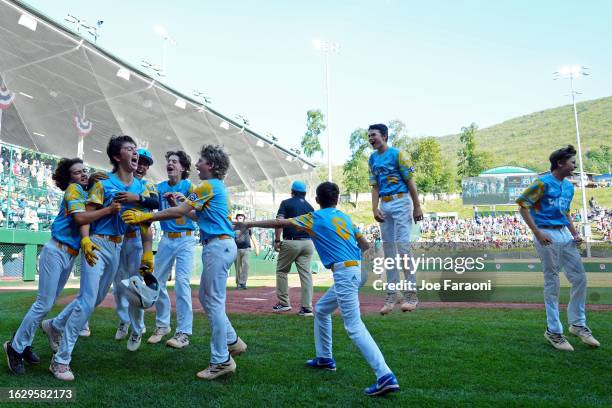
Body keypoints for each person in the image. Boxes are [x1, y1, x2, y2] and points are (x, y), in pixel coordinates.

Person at [235, 182, 400, 396]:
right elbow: (365, 245)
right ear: (337, 199)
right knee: (321, 309)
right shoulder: (344, 217)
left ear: (317, 200)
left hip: (344, 273)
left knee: (354, 326)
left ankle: (385, 375)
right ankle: (325, 358)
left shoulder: (315, 217)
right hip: (357, 270)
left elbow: (279, 222)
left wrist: (248, 224)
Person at [123, 144, 247, 380]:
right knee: (207, 299)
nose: (197, 164)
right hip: (219, 245)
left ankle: (221, 360)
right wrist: (177, 205)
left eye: (201, 160)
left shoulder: (207, 185)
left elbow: (178, 211)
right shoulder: (213, 186)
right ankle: (232, 341)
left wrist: (146, 215)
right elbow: (196, 216)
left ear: (210, 164)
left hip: (218, 246)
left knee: (213, 304)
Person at [45, 135, 148, 381]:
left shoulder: (141, 188)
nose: (135, 153)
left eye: (135, 149)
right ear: (116, 157)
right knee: (88, 300)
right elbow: (88, 214)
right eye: (128, 149)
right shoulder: (104, 183)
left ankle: (56, 325)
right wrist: (86, 240)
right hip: (98, 244)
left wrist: (147, 252)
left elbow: (146, 220)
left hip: (118, 246)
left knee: (98, 298)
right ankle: (61, 360)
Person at [3, 158, 118, 375]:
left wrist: (93, 181)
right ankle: (15, 348)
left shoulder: (86, 192)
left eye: (85, 171)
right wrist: (108, 210)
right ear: (69, 178)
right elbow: (81, 218)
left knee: (47, 303)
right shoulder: (74, 190)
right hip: (56, 251)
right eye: (77, 172)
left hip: (70, 254)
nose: (83, 174)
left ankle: (24, 343)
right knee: (43, 304)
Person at [517, 145, 600, 352]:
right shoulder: (542, 183)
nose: (575, 165)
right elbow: (522, 206)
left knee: (579, 278)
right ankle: (553, 331)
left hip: (564, 233)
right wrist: (537, 232)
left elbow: (565, 213)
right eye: (572, 162)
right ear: (560, 163)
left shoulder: (569, 186)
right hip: (545, 233)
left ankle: (577, 325)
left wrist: (575, 233)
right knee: (552, 281)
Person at [368, 123, 423, 315]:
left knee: (403, 248)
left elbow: (410, 181)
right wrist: (374, 208)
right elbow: (375, 186)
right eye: (369, 136)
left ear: (384, 136)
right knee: (389, 252)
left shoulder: (399, 154)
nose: (370, 138)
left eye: (373, 135)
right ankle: (392, 294)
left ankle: (411, 295)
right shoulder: (372, 159)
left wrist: (417, 205)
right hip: (385, 204)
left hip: (401, 201)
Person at [145, 150, 197, 349]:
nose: (170, 164)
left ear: (183, 167)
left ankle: (183, 332)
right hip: (167, 239)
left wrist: (181, 201)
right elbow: (151, 206)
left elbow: (195, 213)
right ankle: (162, 325)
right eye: (169, 161)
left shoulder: (190, 187)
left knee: (182, 283)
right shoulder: (160, 188)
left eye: (175, 162)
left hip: (186, 238)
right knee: (157, 282)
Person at [112, 148, 159, 351]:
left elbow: (156, 202)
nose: (142, 166)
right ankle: (124, 320)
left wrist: (136, 198)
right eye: (139, 161)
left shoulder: (147, 184)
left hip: (138, 239)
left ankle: (137, 329)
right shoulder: (120, 180)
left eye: (145, 163)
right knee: (117, 285)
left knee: (135, 286)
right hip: (117, 238)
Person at [273, 180, 315, 316]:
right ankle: (307, 308)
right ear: (304, 193)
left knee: (282, 271)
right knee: (306, 275)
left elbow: (279, 222)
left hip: (291, 241)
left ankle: (284, 303)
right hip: (308, 243)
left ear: (292, 192)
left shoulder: (286, 203)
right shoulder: (310, 207)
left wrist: (277, 240)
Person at [233, 213, 259, 290]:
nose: (240, 218)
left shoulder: (248, 227)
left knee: (246, 266)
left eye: (241, 217)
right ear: (236, 219)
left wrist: (257, 247)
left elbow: (252, 237)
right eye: (238, 217)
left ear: (244, 219)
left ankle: (243, 283)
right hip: (236, 249)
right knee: (238, 267)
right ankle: (238, 284)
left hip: (247, 249)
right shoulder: (233, 227)